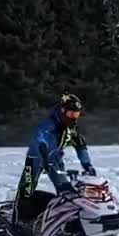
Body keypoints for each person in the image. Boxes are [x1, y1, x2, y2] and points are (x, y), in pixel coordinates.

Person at [13, 93, 95, 227]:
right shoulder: (48, 125)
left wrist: (87, 165)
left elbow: (80, 146)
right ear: (62, 112)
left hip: (55, 160)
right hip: (36, 158)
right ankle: (18, 221)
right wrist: (44, 155)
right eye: (71, 114)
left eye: (76, 115)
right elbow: (39, 140)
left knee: (66, 190)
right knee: (26, 189)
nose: (73, 119)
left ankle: (65, 221)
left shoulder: (71, 129)